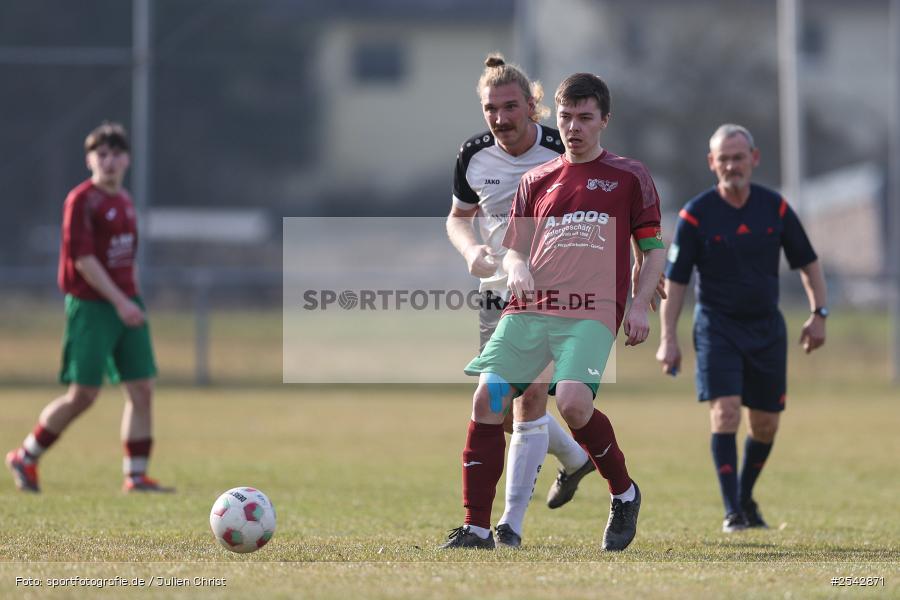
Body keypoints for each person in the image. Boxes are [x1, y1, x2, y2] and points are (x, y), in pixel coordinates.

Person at [441, 72, 666, 551]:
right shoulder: (536, 180)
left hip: (592, 310)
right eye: (566, 117)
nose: (574, 127)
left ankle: (624, 494)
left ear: (604, 120)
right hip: (530, 308)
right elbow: (515, 248)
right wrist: (516, 266)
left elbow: (652, 249)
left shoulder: (629, 176)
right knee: (487, 400)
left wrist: (642, 303)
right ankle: (477, 528)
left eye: (585, 118)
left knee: (572, 403)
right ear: (555, 118)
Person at [444, 54, 598, 548]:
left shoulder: (561, 150)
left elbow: (607, 203)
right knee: (502, 410)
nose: (500, 118)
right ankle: (574, 458)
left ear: (533, 107)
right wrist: (471, 251)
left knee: (530, 397)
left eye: (510, 106)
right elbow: (458, 216)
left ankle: (504, 529)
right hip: (497, 295)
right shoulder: (473, 155)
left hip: (557, 295)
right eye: (491, 108)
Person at [656, 124, 826, 532]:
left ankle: (745, 497)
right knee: (726, 411)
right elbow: (676, 282)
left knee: (765, 424)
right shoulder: (695, 215)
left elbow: (808, 263)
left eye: (739, 156)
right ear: (712, 163)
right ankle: (732, 511)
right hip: (718, 328)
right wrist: (668, 339)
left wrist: (820, 314)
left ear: (754, 158)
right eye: (724, 158)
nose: (732, 165)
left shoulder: (776, 208)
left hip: (767, 328)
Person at [5, 122, 173, 494]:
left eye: (115, 153)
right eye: (101, 154)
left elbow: (126, 260)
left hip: (128, 303)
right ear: (89, 159)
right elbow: (83, 260)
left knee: (142, 389)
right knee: (83, 396)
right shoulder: (82, 200)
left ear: (127, 159)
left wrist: (135, 299)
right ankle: (26, 456)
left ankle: (137, 476)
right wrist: (120, 302)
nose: (108, 160)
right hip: (93, 306)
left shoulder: (126, 202)